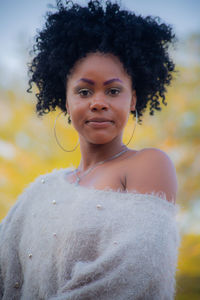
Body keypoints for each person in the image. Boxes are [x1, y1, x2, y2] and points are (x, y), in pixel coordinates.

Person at [0, 0, 181, 299]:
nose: (98, 102)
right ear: (65, 100)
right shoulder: (39, 191)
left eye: (113, 90)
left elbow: (134, 273)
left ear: (133, 99)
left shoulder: (148, 164)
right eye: (84, 91)